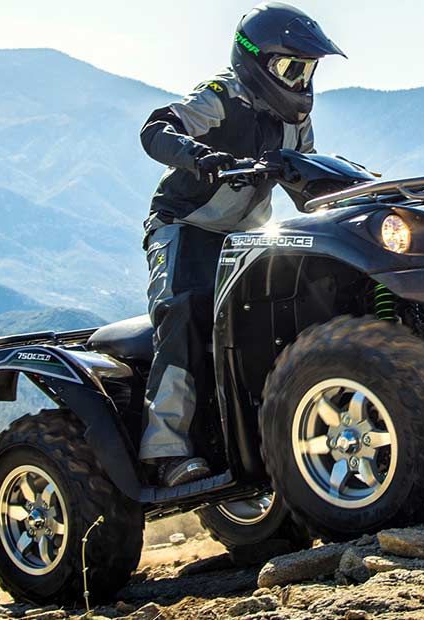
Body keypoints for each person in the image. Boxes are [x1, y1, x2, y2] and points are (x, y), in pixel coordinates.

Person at [137, 2, 342, 486]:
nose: (300, 79)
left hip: (247, 236)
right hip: (185, 226)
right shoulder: (220, 97)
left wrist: (345, 195)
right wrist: (196, 154)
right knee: (185, 309)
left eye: (307, 69)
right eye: (291, 67)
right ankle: (164, 449)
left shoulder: (295, 120)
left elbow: (305, 183)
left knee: (288, 313)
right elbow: (156, 130)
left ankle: (272, 437)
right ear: (255, 61)